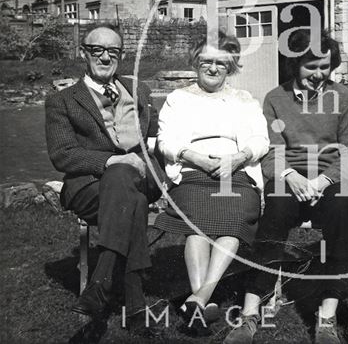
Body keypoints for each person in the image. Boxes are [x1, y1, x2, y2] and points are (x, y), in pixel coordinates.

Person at [223, 29, 348, 344]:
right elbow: (271, 151)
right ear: (296, 65)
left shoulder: (345, 98)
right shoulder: (275, 98)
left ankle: (327, 316)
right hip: (289, 177)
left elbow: (347, 151)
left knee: (343, 210)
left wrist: (324, 180)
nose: (318, 73)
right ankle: (251, 313)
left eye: (324, 66)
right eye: (311, 66)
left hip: (329, 178)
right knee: (276, 212)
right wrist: (292, 177)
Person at [45, 27, 164, 329]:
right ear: (83, 52)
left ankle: (100, 283)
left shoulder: (140, 91)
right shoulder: (62, 101)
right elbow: (63, 155)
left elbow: (156, 139)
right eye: (97, 49)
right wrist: (112, 160)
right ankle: (135, 303)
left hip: (141, 175)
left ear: (121, 55)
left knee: (126, 177)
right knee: (131, 200)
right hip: (89, 186)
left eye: (113, 51)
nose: (105, 56)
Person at [154, 34, 269, 335]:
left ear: (231, 67)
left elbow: (260, 140)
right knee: (198, 226)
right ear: (196, 62)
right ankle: (202, 299)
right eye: (207, 61)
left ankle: (199, 298)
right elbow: (166, 141)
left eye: (221, 63)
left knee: (232, 220)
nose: (213, 68)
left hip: (237, 172)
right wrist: (197, 158)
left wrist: (238, 158)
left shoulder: (244, 99)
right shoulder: (178, 99)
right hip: (192, 170)